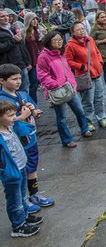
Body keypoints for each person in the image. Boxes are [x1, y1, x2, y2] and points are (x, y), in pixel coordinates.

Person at [0, 64, 56, 213]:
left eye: (19, 78)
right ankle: (23, 201)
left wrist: (34, 111)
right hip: (16, 142)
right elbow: (5, 123)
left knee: (32, 166)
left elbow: (36, 111)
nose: (18, 81)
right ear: (2, 80)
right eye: (14, 79)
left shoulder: (22, 94)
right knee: (21, 171)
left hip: (30, 137)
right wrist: (21, 117)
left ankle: (34, 194)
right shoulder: (2, 100)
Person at [37, 31, 92, 147]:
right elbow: (42, 74)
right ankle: (67, 140)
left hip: (70, 87)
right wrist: (54, 84)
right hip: (57, 91)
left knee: (80, 111)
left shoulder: (62, 53)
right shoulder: (43, 56)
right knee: (62, 117)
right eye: (55, 40)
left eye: (60, 39)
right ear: (49, 42)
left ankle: (85, 129)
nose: (59, 42)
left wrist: (72, 83)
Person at [0, 100, 43, 238]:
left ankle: (24, 216)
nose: (14, 117)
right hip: (12, 173)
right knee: (15, 200)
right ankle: (18, 225)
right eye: (10, 115)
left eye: (14, 114)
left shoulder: (10, 127)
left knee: (22, 196)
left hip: (22, 166)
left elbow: (26, 128)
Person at [65, 22, 106, 129]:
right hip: (84, 77)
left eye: (83, 28)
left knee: (99, 98)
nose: (82, 30)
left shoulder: (90, 40)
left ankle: (101, 117)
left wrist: (100, 62)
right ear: (73, 32)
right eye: (78, 29)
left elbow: (97, 52)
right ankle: (88, 121)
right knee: (87, 100)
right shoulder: (70, 45)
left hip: (97, 74)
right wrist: (80, 67)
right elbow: (68, 61)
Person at [0, 9, 31, 94]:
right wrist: (13, 40)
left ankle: (25, 105)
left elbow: (22, 46)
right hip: (8, 67)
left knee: (24, 89)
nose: (6, 18)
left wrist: (27, 61)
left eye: (7, 16)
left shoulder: (12, 28)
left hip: (20, 64)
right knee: (10, 91)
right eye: (2, 16)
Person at [20, 12, 46, 104]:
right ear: (28, 21)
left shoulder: (40, 29)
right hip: (32, 61)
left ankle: (54, 99)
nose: (35, 21)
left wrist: (45, 35)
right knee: (34, 84)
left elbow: (44, 44)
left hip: (42, 60)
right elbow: (22, 48)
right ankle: (34, 105)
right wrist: (27, 62)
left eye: (36, 19)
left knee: (47, 81)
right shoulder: (23, 32)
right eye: (33, 19)